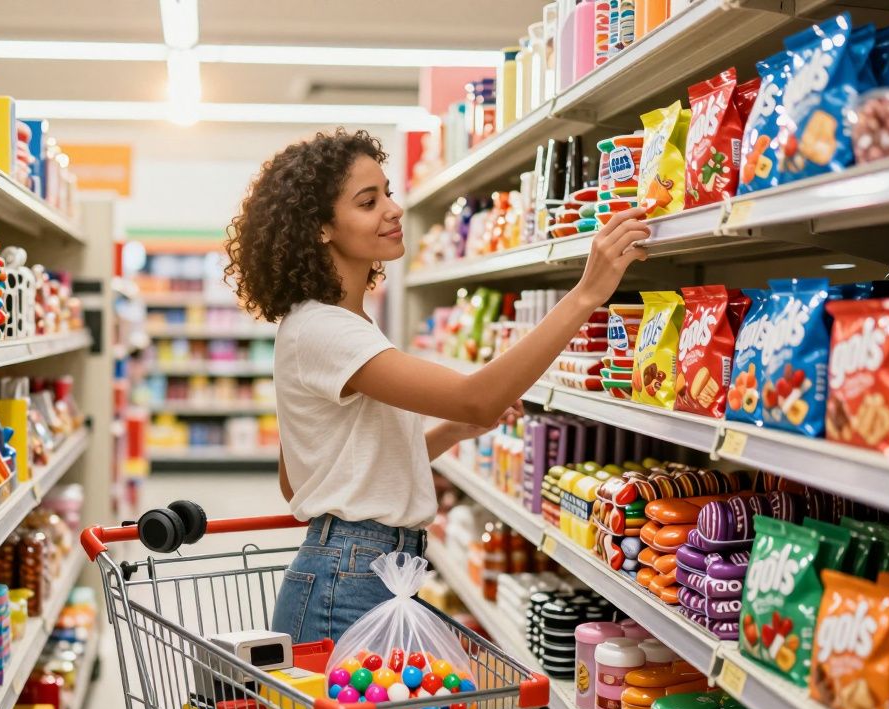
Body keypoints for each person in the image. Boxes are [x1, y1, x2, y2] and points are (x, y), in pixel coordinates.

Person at [225, 129, 650, 644]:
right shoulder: (325, 329)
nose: (394, 208)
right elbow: (479, 395)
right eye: (369, 201)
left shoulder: (333, 324)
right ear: (320, 228)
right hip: (350, 579)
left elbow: (313, 480)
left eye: (388, 191)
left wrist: (449, 432)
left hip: (366, 568)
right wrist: (588, 294)